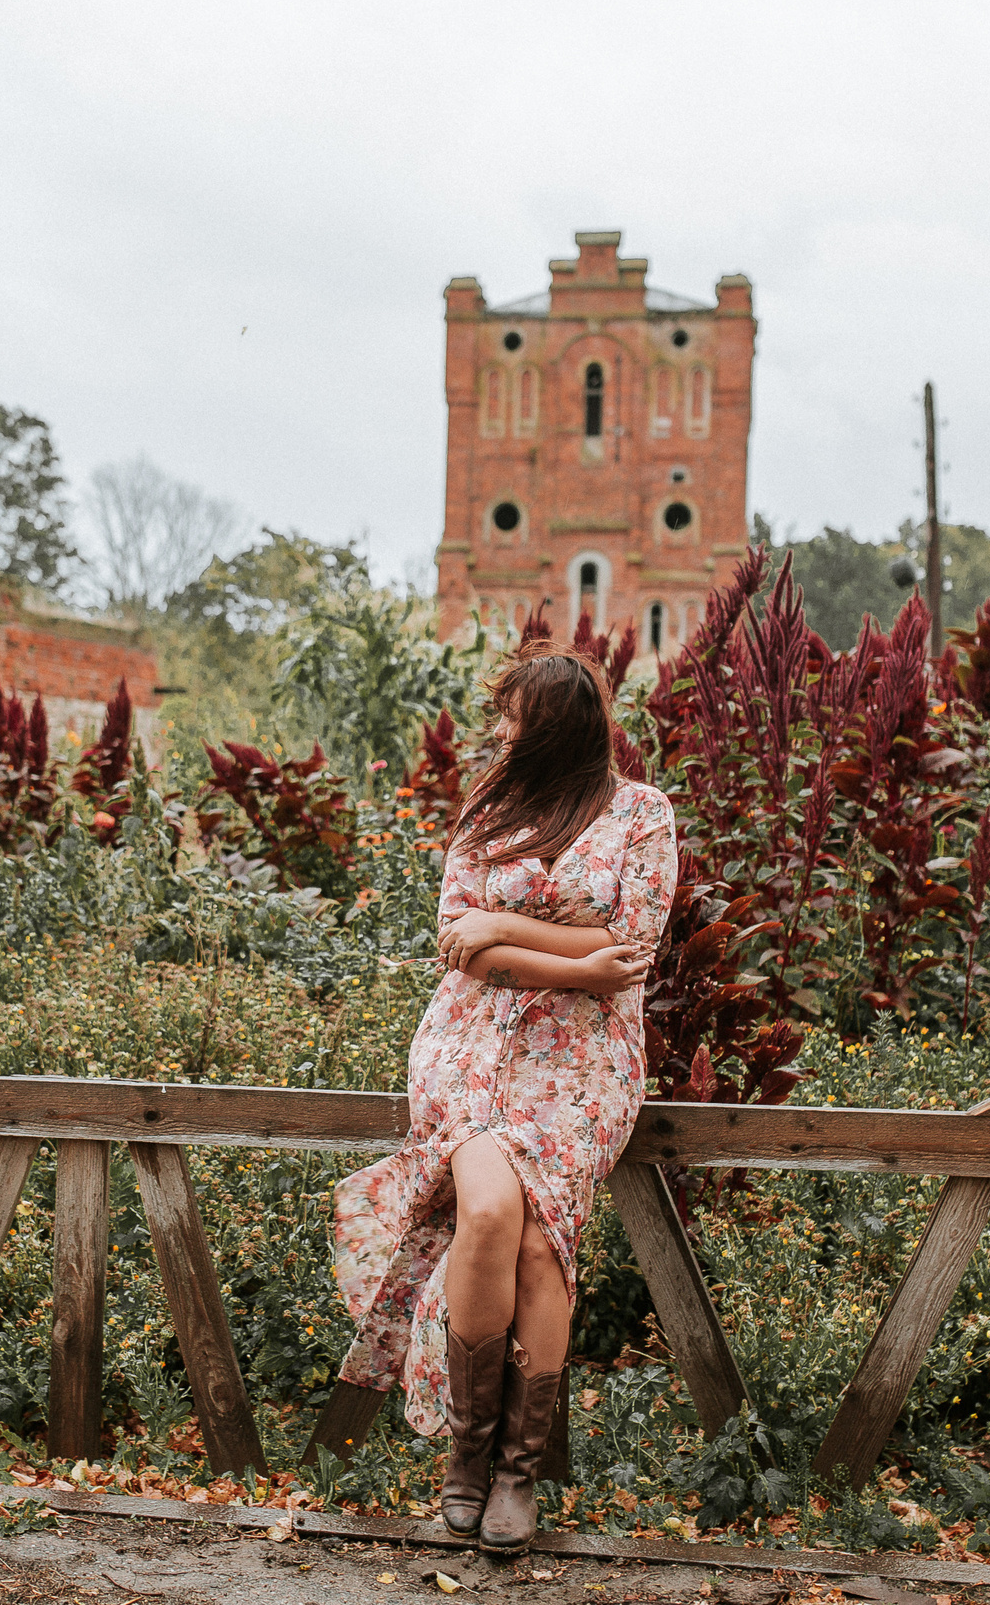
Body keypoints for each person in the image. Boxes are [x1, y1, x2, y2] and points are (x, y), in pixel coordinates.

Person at [332, 641, 676, 1554]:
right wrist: (568, 954)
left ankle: (516, 1473)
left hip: (584, 1070)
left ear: (555, 728)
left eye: (514, 716)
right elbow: (460, 946)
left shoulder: (642, 814)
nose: (499, 729)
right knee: (489, 1211)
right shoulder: (488, 811)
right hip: (469, 1052)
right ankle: (469, 1457)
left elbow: (629, 953)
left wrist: (506, 929)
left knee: (536, 1244)